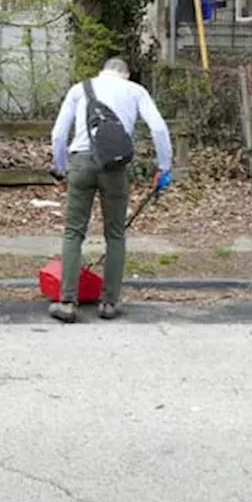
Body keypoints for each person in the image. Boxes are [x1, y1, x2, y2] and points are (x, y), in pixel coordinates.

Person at [48, 57, 173, 324]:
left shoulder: (79, 89)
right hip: (115, 167)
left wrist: (60, 167)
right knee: (115, 234)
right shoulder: (136, 91)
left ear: (101, 71)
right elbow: (159, 129)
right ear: (125, 74)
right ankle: (109, 302)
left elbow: (59, 134)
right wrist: (163, 167)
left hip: (81, 161)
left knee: (73, 232)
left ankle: (68, 301)